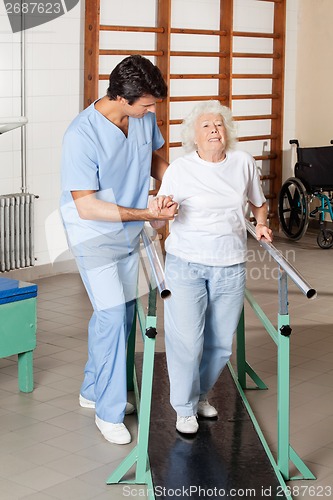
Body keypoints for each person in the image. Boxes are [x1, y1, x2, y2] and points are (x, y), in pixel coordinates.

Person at [60, 55, 178, 445]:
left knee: (121, 315)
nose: (151, 110)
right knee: (112, 315)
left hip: (129, 230)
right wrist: (146, 212)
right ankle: (108, 413)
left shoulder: (143, 116)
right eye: (145, 104)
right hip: (92, 234)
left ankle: (92, 388)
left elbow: (156, 159)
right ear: (122, 98)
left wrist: (173, 188)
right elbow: (87, 205)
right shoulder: (81, 134)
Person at [151, 100, 273, 434]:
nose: (214, 130)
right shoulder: (180, 169)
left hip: (230, 264)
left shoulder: (243, 163)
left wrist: (261, 224)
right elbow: (163, 211)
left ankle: (200, 395)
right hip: (186, 263)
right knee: (187, 341)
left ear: (228, 131)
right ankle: (184, 407)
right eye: (205, 125)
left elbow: (258, 204)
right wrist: (163, 210)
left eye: (219, 124)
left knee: (220, 342)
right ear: (194, 135)